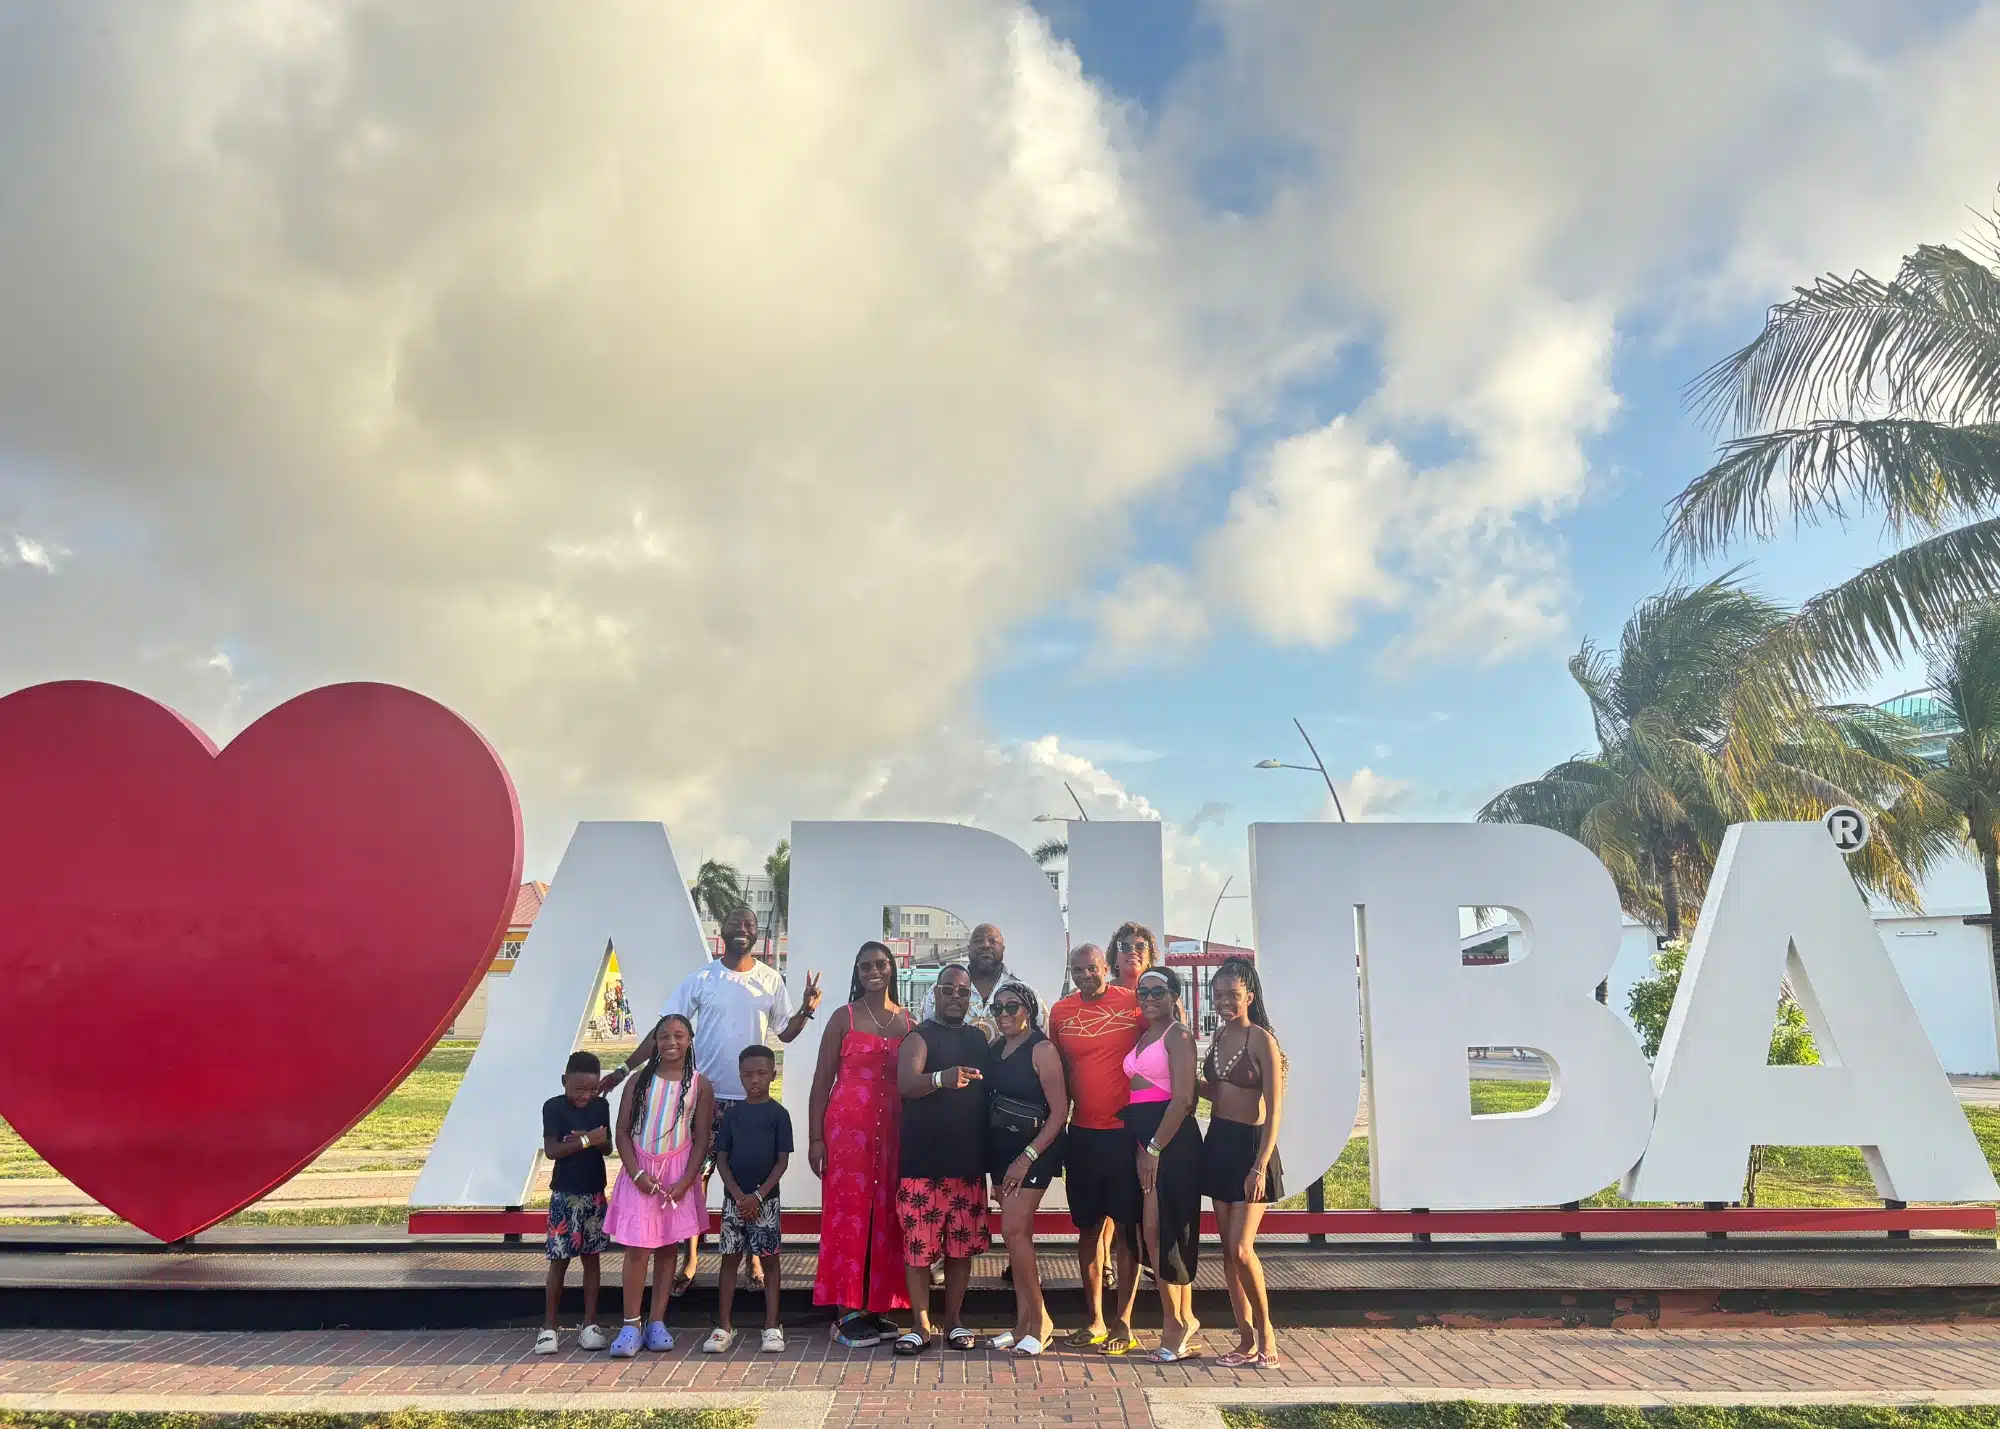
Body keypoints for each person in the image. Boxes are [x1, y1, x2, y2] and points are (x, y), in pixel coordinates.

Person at [620, 905, 823, 1293]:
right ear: (723, 932)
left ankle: (753, 1260)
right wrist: (624, 1070)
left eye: (748, 923)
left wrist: (806, 1010)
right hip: (702, 1099)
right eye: (735, 922)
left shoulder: (769, 980)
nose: (741, 927)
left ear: (757, 933)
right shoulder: (702, 978)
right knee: (693, 1177)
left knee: (751, 1175)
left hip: (749, 1102)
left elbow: (786, 1033)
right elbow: (664, 1030)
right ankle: (691, 1256)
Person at [809, 940, 915, 1347]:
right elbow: (821, 1080)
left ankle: (877, 1307)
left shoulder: (907, 1022)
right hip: (847, 1129)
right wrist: (816, 1138)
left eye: (881, 963)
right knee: (847, 1214)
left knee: (887, 1215)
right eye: (865, 965)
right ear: (857, 972)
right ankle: (845, 1310)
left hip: (892, 1129)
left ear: (891, 969)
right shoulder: (843, 1017)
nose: (873, 970)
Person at [1046, 941, 1146, 1354]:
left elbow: (1163, 1049)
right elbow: (1057, 1068)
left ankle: (1123, 1323)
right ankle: (1096, 1321)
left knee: (1127, 1230)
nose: (1086, 976)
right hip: (1082, 1134)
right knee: (1088, 1230)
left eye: (1092, 969)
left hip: (1126, 1134)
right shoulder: (1061, 1012)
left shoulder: (1136, 1003)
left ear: (1107, 967)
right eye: (1078, 970)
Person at [891, 964, 990, 1354]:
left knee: (960, 1250)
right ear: (935, 993)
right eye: (948, 990)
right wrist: (940, 1079)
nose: (954, 997)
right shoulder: (919, 1036)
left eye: (962, 992)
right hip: (922, 1166)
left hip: (966, 1165)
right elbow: (905, 1084)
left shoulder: (979, 1040)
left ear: (970, 998)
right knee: (918, 1250)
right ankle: (920, 1325)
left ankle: (954, 1322)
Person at [605, 1014, 713, 1357]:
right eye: (664, 1036)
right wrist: (636, 1173)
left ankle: (657, 1321)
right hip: (641, 1174)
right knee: (638, 1248)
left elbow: (701, 1138)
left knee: (668, 1247)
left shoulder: (699, 1085)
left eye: (679, 1035)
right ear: (654, 1041)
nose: (671, 1042)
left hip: (677, 1176)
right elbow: (622, 1131)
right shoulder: (639, 1081)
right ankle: (630, 1324)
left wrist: (687, 1180)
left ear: (690, 1040)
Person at [1200, 957, 1286, 1369]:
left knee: (1241, 1247)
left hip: (1253, 1148)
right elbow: (1217, 1095)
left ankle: (1267, 1331)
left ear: (1249, 995)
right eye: (1218, 995)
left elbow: (1275, 1111)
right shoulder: (1217, 1037)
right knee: (1227, 1252)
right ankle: (1245, 1337)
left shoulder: (1262, 1040)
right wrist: (1173, 1081)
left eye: (1232, 995)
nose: (1224, 1002)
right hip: (1219, 1142)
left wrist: (1260, 1165)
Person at [984, 983, 1068, 1355]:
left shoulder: (1043, 1049)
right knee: (1015, 1238)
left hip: (1035, 1153)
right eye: (997, 1007)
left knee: (1015, 1231)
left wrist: (1025, 1158)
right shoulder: (996, 1050)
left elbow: (1059, 1112)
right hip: (1004, 1154)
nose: (1004, 1013)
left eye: (1012, 1006)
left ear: (1029, 1009)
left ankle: (1042, 1321)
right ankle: (1021, 1325)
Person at [1125, 967, 1204, 1363]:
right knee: (1155, 1232)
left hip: (1169, 1142)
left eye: (1158, 990)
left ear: (1174, 995)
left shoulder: (1180, 1036)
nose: (1150, 997)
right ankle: (1184, 1318)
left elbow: (1184, 1099)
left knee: (1162, 1231)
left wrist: (1154, 1148)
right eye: (1144, 991)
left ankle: (1174, 1326)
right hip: (1145, 1140)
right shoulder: (1143, 1036)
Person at [705, 1045, 793, 1354]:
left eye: (761, 1074)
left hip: (766, 1202)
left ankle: (771, 1325)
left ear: (773, 1074)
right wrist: (740, 1196)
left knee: (769, 1261)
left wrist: (758, 1195)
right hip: (734, 1202)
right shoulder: (731, 1116)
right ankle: (724, 1325)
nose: (754, 1080)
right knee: (729, 1261)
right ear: (739, 1077)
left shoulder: (779, 1115)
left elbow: (781, 1162)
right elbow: (722, 1160)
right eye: (747, 1075)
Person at [537, 1050, 613, 1355]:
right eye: (579, 1089)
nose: (586, 1096)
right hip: (564, 1196)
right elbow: (553, 1149)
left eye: (592, 1089)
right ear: (564, 1081)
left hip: (594, 1192)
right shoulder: (553, 1107)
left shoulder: (601, 1106)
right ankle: (549, 1327)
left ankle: (589, 1324)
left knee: (592, 1259)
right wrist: (586, 1140)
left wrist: (592, 1140)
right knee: (559, 1260)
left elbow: (606, 1146)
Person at [919, 923, 1035, 1042]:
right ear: (969, 949)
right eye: (978, 940)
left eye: (993, 941)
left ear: (1003, 949)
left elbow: (1041, 1037)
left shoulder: (1024, 993)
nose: (985, 945)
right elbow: (922, 1034)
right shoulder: (941, 990)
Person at [1109, 922, 1158, 991]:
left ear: (1149, 958)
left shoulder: (1161, 994)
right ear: (1115, 958)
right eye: (1124, 947)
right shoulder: (1099, 993)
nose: (1132, 952)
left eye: (1141, 946)